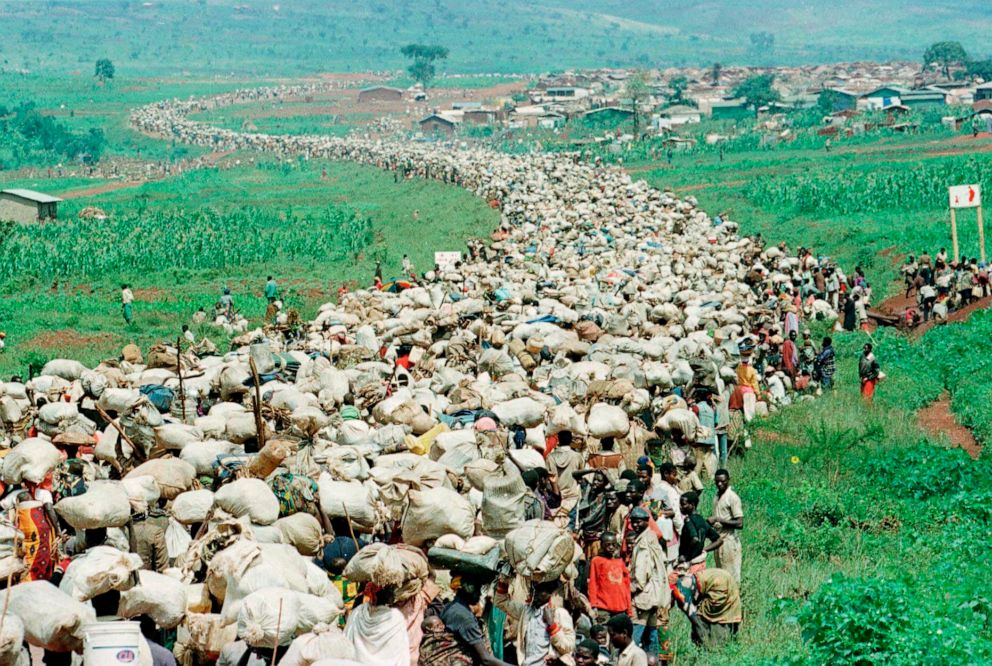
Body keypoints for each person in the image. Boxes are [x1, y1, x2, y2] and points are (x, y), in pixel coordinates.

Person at [495, 578, 575, 666]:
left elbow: (569, 647)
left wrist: (552, 625)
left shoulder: (560, 614)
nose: (535, 594)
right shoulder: (526, 611)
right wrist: (504, 580)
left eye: (540, 590)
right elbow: (501, 602)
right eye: (533, 590)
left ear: (549, 592)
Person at [628, 507, 669, 657]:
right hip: (655, 595)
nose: (635, 525)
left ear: (647, 522)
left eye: (638, 522)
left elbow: (640, 575)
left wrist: (629, 590)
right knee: (651, 636)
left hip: (643, 597)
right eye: (633, 522)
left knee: (634, 637)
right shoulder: (652, 538)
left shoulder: (643, 542)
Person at [671, 568, 743, 649]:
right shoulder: (686, 582)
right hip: (722, 584)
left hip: (720, 588)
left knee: (708, 623)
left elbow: (693, 616)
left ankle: (709, 647)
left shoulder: (682, 592)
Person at [586, 531, 631, 624]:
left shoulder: (620, 562)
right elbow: (593, 584)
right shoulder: (597, 561)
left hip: (621, 607)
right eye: (608, 545)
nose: (611, 547)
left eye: (613, 545)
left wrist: (629, 608)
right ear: (602, 545)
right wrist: (593, 604)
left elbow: (626, 586)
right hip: (603, 607)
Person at [708, 470, 743, 582]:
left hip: (729, 541)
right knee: (721, 575)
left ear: (728, 480)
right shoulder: (716, 496)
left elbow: (739, 523)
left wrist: (719, 520)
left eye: (722, 481)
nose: (719, 484)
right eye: (717, 482)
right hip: (718, 541)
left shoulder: (732, 497)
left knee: (731, 577)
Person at [678, 492, 722, 572]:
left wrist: (685, 556)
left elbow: (694, 538)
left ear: (692, 505)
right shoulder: (702, 521)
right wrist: (704, 549)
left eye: (683, 504)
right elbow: (719, 540)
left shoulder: (688, 521)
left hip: (689, 564)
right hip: (700, 563)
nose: (681, 507)